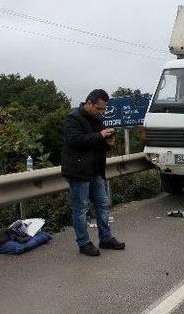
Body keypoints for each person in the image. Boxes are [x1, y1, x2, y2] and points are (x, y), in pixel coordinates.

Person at [61, 89, 126, 256]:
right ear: (89, 103)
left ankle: (105, 238)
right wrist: (99, 135)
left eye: (103, 109)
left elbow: (97, 143)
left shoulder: (96, 119)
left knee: (103, 204)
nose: (101, 112)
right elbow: (75, 141)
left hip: (95, 171)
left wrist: (107, 143)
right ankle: (84, 243)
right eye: (99, 108)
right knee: (81, 209)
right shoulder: (73, 118)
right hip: (78, 171)